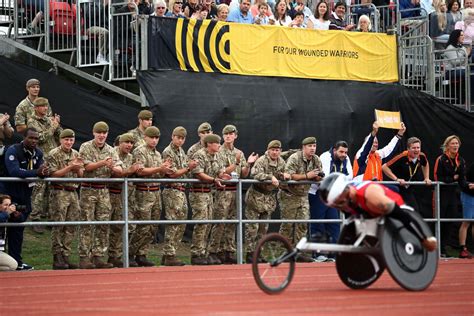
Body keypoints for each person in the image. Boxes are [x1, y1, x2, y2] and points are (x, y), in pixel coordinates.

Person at [318, 173, 438, 252]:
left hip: (389, 207)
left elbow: (403, 217)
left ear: (346, 191)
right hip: (367, 212)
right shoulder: (344, 199)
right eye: (335, 205)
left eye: (339, 202)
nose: (340, 207)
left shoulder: (373, 198)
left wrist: (423, 239)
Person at [208, 125, 258, 264]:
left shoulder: (239, 153)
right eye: (226, 134)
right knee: (220, 222)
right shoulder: (218, 151)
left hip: (235, 191)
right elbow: (222, 173)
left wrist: (248, 164)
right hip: (222, 191)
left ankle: (228, 251)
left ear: (236, 136)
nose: (228, 136)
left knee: (232, 222)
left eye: (231, 134)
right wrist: (234, 165)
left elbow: (243, 174)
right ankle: (214, 251)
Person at [1, 128, 49, 270]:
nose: (34, 141)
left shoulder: (38, 153)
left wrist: (44, 172)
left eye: (36, 139)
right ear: (24, 137)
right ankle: (3, 260)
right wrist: (36, 172)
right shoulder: (13, 150)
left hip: (25, 195)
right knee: (3, 226)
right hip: (7, 195)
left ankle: (17, 262)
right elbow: (14, 171)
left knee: (18, 229)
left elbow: (42, 171)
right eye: (31, 138)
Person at [78, 121, 122, 269]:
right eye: (99, 133)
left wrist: (114, 168)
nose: (102, 135)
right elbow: (87, 166)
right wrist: (103, 163)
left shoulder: (111, 149)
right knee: (87, 223)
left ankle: (98, 256)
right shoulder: (86, 146)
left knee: (103, 224)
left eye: (104, 133)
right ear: (94, 133)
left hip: (104, 190)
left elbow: (119, 168)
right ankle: (84, 257)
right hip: (88, 189)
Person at [131, 126, 172, 267]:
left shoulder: (157, 154)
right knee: (142, 225)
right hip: (143, 192)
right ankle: (130, 253)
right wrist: (160, 168)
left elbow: (158, 173)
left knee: (153, 227)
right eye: (152, 137)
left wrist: (165, 169)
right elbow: (141, 171)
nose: (154, 140)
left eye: (156, 138)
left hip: (155, 192)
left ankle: (142, 253)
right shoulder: (139, 151)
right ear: (145, 138)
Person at [279, 137, 323, 262]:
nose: (313, 148)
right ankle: (285, 253)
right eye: (310, 146)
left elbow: (319, 174)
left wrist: (317, 178)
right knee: (288, 225)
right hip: (289, 195)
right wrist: (306, 176)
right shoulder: (295, 158)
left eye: (314, 146)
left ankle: (299, 252)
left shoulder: (316, 159)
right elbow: (289, 175)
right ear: (304, 147)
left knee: (302, 224)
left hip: (303, 195)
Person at [189, 134, 230, 265]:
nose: (219, 145)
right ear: (209, 144)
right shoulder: (199, 154)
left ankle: (204, 253)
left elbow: (219, 170)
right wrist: (214, 179)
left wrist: (223, 176)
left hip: (209, 194)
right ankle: (196, 254)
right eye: (217, 143)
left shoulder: (217, 155)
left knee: (208, 224)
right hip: (198, 193)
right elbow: (199, 174)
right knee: (201, 223)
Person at [308, 140, 352, 262]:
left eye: (345, 152)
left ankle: (333, 253)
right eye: (341, 152)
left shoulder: (346, 159)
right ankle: (318, 254)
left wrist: (338, 183)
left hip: (333, 195)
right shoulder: (325, 157)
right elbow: (325, 178)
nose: (344, 154)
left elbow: (350, 176)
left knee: (334, 223)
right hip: (318, 193)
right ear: (334, 150)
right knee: (318, 223)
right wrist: (340, 181)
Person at [244, 140, 287, 263]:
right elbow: (255, 174)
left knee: (263, 229)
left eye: (277, 150)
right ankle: (249, 254)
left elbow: (282, 174)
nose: (275, 152)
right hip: (255, 197)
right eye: (273, 150)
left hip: (268, 198)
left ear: (280, 151)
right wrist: (270, 177)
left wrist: (283, 176)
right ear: (268, 150)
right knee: (252, 228)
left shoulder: (281, 162)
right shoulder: (262, 160)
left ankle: (259, 252)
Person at [46, 129, 83, 270]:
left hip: (73, 191)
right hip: (59, 191)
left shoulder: (76, 153)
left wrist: (78, 168)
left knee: (71, 225)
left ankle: (66, 255)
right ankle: (57, 256)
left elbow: (81, 176)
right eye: (66, 140)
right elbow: (53, 175)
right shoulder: (54, 153)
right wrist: (70, 167)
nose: (69, 142)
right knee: (59, 225)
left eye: (71, 140)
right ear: (61, 140)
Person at [161, 127, 197, 266]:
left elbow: (184, 172)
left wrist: (189, 169)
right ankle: (169, 253)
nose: (180, 140)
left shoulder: (182, 152)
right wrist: (189, 168)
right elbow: (172, 173)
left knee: (181, 223)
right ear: (172, 136)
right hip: (172, 190)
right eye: (178, 137)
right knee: (173, 223)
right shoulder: (168, 152)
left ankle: (171, 253)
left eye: (182, 138)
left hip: (181, 190)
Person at [107, 133, 142, 267]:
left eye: (131, 143)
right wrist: (130, 170)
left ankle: (115, 256)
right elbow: (117, 173)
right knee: (105, 226)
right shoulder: (112, 153)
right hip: (111, 194)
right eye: (126, 142)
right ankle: (95, 256)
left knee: (122, 227)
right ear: (119, 143)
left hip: (125, 196)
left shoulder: (131, 157)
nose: (129, 145)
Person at [27, 97, 62, 234]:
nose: (45, 108)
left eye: (46, 106)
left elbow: (59, 134)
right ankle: (34, 218)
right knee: (39, 188)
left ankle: (48, 217)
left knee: (51, 188)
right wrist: (53, 127)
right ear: (36, 108)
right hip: (40, 157)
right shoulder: (32, 121)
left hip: (52, 157)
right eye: (42, 106)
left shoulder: (49, 120)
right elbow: (39, 138)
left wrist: (57, 125)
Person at [382, 137, 432, 218]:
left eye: (418, 148)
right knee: (396, 210)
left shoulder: (422, 156)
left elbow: (425, 164)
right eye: (413, 148)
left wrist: (426, 177)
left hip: (408, 187)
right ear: (408, 149)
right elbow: (384, 167)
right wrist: (396, 179)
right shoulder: (402, 157)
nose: (416, 150)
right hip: (396, 187)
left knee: (415, 210)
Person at [434, 135, 465, 257]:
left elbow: (462, 179)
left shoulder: (460, 160)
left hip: (453, 194)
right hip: (441, 194)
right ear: (447, 145)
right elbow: (437, 178)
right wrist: (453, 178)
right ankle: (437, 248)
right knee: (439, 220)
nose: (455, 145)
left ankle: (444, 249)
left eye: (457, 143)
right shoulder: (441, 159)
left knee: (451, 220)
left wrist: (468, 185)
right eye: (453, 143)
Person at [458, 160, 474, 258]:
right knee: (467, 221)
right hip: (468, 195)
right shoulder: (472, 167)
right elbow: (464, 181)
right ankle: (462, 249)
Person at [0, 195, 19, 271]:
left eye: (9, 205)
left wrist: (15, 214)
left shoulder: (6, 215)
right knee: (12, 265)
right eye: (5, 205)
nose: (8, 207)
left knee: (13, 265)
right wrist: (7, 213)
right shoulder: (5, 215)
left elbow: (22, 219)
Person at [0, 112, 14, 177]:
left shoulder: (1, 116)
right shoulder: (2, 118)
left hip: (1, 148)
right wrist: (2, 121)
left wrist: (5, 124)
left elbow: (9, 135)